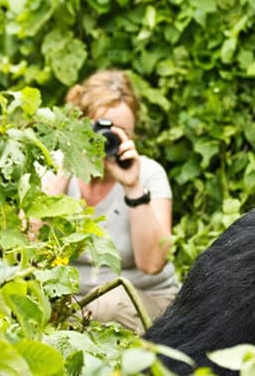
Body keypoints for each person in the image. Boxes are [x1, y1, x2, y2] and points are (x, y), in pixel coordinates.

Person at [40, 70, 178, 335]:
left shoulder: (149, 174)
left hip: (143, 299)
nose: (106, 141)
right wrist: (71, 160)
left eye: (120, 132)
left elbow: (152, 264)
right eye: (99, 129)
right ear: (79, 125)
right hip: (70, 302)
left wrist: (132, 187)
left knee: (106, 307)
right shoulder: (52, 168)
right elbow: (30, 242)